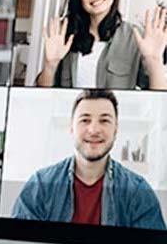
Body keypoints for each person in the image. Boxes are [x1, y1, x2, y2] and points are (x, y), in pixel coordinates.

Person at [12, 91, 165, 229]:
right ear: (71, 128)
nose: (94, 130)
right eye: (85, 120)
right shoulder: (40, 185)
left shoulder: (138, 192)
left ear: (116, 130)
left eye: (104, 121)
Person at [35, 0, 167, 89]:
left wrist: (154, 61)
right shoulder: (66, 35)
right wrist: (50, 65)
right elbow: (43, 92)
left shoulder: (134, 37)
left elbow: (158, 97)